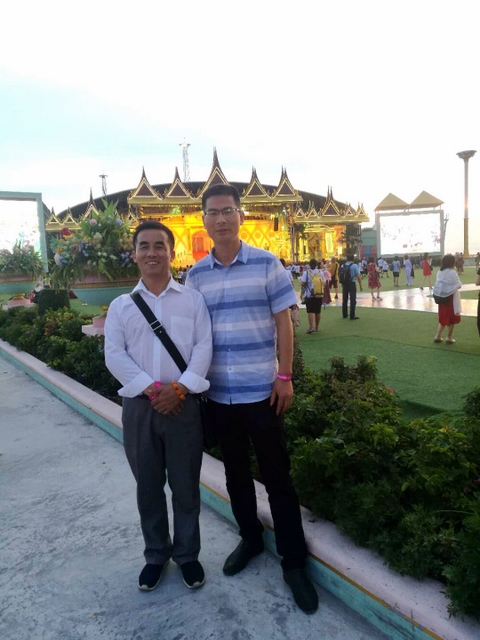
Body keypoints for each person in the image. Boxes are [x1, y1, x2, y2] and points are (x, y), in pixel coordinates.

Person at [186, 183, 318, 615]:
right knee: (236, 476)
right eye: (213, 212)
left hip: (262, 393)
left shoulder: (266, 264)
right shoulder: (196, 275)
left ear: (241, 216)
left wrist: (285, 376)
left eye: (228, 210)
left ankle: (293, 562)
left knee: (278, 476)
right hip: (218, 396)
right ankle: (251, 538)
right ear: (204, 220)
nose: (221, 219)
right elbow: (192, 335)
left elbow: (284, 323)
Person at [104, 221, 213, 593]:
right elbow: (114, 355)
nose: (152, 253)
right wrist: (153, 390)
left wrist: (179, 388)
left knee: (186, 487)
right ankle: (155, 555)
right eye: (144, 246)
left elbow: (204, 348)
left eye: (159, 246)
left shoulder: (192, 300)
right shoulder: (121, 307)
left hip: (183, 405)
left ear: (171, 252)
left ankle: (187, 554)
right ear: (134, 254)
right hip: (140, 408)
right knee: (148, 487)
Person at [432, 253, 462, 344]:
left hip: (441, 298)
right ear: (452, 263)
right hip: (450, 298)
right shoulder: (452, 272)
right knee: (451, 318)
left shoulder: (439, 272)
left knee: (443, 317)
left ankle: (438, 335)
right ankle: (449, 337)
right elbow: (458, 285)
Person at [301, 258, 325, 333]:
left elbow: (303, 283)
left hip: (309, 295)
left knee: (310, 311)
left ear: (309, 265)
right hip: (319, 294)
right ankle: (317, 327)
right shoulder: (320, 272)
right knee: (318, 311)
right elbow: (324, 282)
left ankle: (311, 327)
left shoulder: (306, 273)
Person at [341, 254, 362, 319]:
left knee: (345, 299)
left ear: (347, 259)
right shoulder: (354, 266)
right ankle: (352, 315)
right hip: (352, 283)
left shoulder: (343, 265)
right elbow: (358, 276)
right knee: (352, 299)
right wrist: (360, 285)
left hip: (344, 284)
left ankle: (344, 314)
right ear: (353, 259)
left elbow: (341, 275)